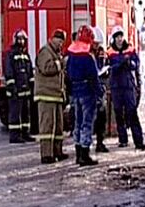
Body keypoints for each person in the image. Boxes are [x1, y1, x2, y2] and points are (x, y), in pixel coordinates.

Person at [66, 25, 100, 166]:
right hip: (87, 92)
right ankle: (84, 155)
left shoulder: (72, 56)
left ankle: (78, 152)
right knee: (87, 123)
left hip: (75, 92)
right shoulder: (88, 57)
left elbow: (67, 74)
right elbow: (94, 77)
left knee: (78, 123)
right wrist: (99, 93)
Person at [108, 26, 145, 150]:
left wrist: (130, 63)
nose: (119, 39)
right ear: (113, 39)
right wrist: (119, 65)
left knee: (132, 113)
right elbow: (108, 68)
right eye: (117, 37)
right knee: (119, 114)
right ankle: (122, 139)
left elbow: (137, 64)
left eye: (120, 36)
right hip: (116, 87)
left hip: (128, 86)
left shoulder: (130, 49)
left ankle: (138, 141)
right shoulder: (110, 52)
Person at [34, 29, 69, 164]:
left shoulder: (56, 53)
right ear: (52, 39)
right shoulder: (45, 52)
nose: (60, 44)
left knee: (58, 127)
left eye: (62, 42)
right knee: (47, 127)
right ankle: (46, 154)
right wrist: (60, 64)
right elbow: (46, 68)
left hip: (56, 95)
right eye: (59, 41)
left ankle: (57, 151)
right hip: (46, 95)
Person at [5, 29, 35, 144]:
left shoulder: (26, 55)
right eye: (19, 39)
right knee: (15, 113)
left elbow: (29, 72)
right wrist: (12, 87)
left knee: (25, 113)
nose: (21, 41)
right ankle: (14, 136)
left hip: (25, 90)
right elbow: (9, 71)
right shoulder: (11, 54)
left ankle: (25, 133)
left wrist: (32, 84)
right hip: (15, 90)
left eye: (23, 39)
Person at [91, 26, 109, 153]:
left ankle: (100, 141)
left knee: (101, 117)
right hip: (90, 89)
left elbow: (102, 67)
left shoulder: (101, 53)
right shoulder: (87, 53)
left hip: (99, 88)